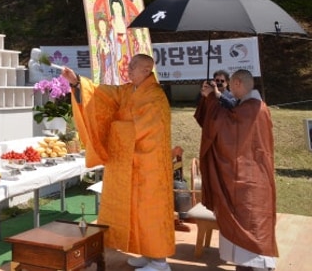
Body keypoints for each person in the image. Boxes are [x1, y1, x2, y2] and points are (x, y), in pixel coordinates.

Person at [61, 53, 175, 271]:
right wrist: (76, 81)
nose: (128, 69)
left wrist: (115, 129)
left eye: (133, 67)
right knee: (135, 213)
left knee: (150, 212)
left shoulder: (155, 97)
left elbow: (146, 131)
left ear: (146, 70)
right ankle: (148, 254)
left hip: (149, 167)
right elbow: (102, 95)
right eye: (129, 66)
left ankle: (160, 262)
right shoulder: (126, 90)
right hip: (128, 164)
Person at [196, 69, 278, 271]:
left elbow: (227, 128)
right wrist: (213, 98)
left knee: (253, 224)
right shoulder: (250, 105)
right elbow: (228, 114)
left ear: (238, 83)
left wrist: (211, 100)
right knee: (248, 227)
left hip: (249, 180)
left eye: (231, 84)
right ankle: (246, 265)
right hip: (250, 176)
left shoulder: (253, 108)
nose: (230, 88)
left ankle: (258, 266)